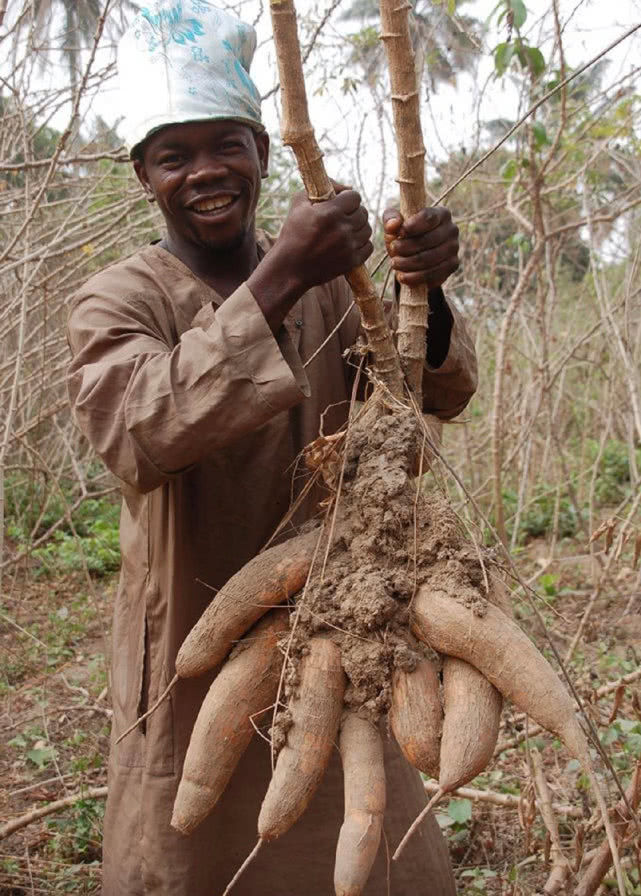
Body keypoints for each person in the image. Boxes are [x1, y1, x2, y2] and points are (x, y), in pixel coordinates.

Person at [66, 3, 477, 894]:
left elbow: (434, 395)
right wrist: (283, 271)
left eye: (226, 146)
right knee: (192, 848)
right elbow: (139, 433)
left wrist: (425, 294)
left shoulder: (341, 282)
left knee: (371, 849)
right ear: (144, 175)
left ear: (260, 149)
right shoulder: (118, 298)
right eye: (175, 156)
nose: (205, 173)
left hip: (342, 619)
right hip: (193, 628)